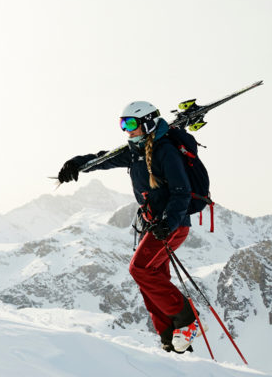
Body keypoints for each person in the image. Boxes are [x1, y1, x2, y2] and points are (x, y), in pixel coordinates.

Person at [57, 101, 204, 353]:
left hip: (172, 225)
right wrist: (75, 163)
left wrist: (167, 223)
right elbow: (103, 158)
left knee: (139, 270)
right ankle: (170, 338)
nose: (126, 129)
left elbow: (182, 193)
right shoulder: (135, 150)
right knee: (153, 278)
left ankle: (188, 321)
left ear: (146, 122)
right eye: (122, 124)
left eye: (131, 123)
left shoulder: (165, 150)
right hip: (154, 224)